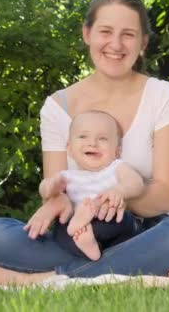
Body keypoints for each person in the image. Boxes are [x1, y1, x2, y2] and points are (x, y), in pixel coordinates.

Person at [0, 0, 169, 286]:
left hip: (144, 231)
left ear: (143, 42)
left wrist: (106, 201)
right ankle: (141, 266)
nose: (116, 44)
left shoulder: (161, 95)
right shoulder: (57, 107)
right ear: (87, 34)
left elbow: (164, 196)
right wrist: (55, 202)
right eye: (105, 31)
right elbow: (60, 196)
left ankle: (42, 278)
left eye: (128, 34)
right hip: (76, 234)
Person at [45, 110, 144, 261]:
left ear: (117, 151)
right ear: (70, 149)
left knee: (125, 218)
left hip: (109, 221)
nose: (92, 143)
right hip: (78, 228)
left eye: (103, 138)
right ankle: (90, 246)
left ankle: (87, 238)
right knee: (61, 230)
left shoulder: (115, 167)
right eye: (83, 136)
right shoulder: (67, 176)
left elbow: (136, 183)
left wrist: (118, 190)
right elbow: (45, 191)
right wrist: (51, 186)